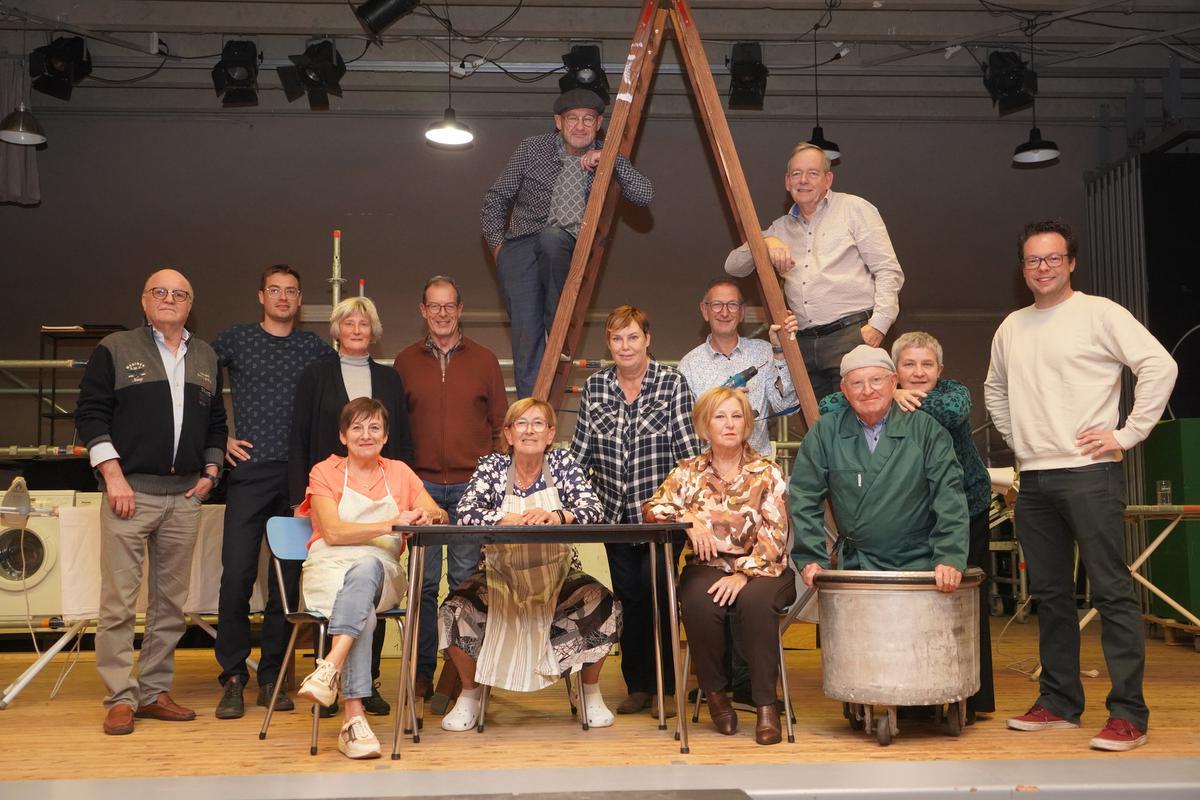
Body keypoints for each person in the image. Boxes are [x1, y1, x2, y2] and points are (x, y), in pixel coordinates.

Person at [984, 219, 1178, 752]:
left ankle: (1128, 715)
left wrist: (1128, 433)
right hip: (1035, 479)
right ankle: (1059, 702)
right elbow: (994, 389)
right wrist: (1022, 437)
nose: (1041, 268)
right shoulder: (1011, 327)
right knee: (1050, 597)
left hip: (1090, 473)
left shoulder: (1099, 313)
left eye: (1051, 258)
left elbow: (1160, 365)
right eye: (1031, 260)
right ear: (1022, 268)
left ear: (1071, 263)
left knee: (1111, 592)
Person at [75, 268, 227, 735]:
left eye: (179, 294)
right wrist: (113, 475)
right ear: (144, 301)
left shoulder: (205, 356)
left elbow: (216, 423)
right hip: (129, 493)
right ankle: (120, 697)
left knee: (170, 606)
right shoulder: (116, 349)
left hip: (184, 498)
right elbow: (91, 413)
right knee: (119, 603)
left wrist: (212, 470)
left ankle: (154, 691)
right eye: (159, 292)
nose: (169, 299)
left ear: (190, 304)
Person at [819, 331, 995, 720]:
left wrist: (889, 399)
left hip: (962, 507)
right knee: (915, 606)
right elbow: (831, 402)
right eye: (908, 365)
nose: (918, 372)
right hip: (911, 512)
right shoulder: (884, 389)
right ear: (894, 371)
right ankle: (913, 690)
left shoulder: (953, 393)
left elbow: (949, 412)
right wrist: (885, 393)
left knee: (964, 603)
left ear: (940, 369)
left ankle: (973, 694)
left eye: (927, 364)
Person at [438, 398, 620, 731]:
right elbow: (465, 511)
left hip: (559, 574)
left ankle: (589, 692)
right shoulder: (492, 467)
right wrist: (506, 517)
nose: (529, 431)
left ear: (551, 433)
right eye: (520, 423)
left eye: (538, 423)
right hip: (498, 576)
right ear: (507, 433)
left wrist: (557, 515)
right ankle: (470, 695)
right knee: (455, 609)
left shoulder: (563, 463)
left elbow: (593, 509)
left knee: (603, 602)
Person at [294, 398, 449, 759]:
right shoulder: (325, 472)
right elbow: (331, 532)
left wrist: (429, 515)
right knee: (359, 606)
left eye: (374, 428)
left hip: (383, 573)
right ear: (343, 436)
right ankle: (353, 719)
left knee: (366, 572)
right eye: (358, 428)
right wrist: (392, 524)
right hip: (328, 568)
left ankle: (330, 668)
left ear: (385, 436)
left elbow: (436, 511)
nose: (366, 435)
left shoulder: (399, 472)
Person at [212, 265, 334, 720]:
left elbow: (336, 397)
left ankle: (272, 677)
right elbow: (195, 382)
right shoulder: (235, 340)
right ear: (261, 295)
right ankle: (232, 677)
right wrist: (217, 438)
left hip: (298, 479)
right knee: (237, 576)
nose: (283, 298)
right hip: (248, 473)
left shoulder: (313, 349)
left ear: (300, 299)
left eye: (292, 292)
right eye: (275, 290)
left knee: (286, 583)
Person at [569, 305, 702, 716]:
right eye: (616, 338)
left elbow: (689, 455)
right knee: (629, 599)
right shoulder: (596, 388)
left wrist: (672, 506)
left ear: (647, 339)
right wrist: (563, 501)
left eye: (632, 337)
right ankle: (640, 686)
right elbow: (579, 454)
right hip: (613, 516)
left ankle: (666, 686)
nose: (625, 345)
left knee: (657, 591)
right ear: (608, 344)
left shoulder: (672, 384)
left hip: (660, 521)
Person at [645, 387, 796, 745]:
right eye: (720, 417)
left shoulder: (767, 473)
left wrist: (743, 574)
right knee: (698, 601)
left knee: (756, 603)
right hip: (707, 566)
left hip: (763, 568)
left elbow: (776, 535)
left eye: (736, 416)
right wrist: (688, 520)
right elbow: (653, 509)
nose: (729, 424)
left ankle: (765, 705)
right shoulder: (687, 473)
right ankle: (714, 694)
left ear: (746, 424)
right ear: (703, 427)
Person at [481, 88, 654, 398]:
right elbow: (496, 198)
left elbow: (644, 195)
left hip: (571, 245)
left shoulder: (607, 152)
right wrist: (498, 248)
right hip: (520, 245)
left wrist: (612, 160)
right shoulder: (532, 149)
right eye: (572, 119)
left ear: (599, 123)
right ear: (558, 122)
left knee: (553, 238)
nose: (580, 126)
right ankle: (532, 414)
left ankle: (556, 327)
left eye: (588, 119)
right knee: (525, 337)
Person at [289, 295, 414, 716]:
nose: (357, 330)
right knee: (350, 585)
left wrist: (407, 494)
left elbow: (405, 441)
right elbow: (298, 438)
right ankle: (340, 683)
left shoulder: (390, 379)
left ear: (373, 331)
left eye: (364, 324)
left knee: (369, 575)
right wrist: (298, 500)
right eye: (349, 323)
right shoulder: (315, 375)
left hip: (379, 493)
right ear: (337, 331)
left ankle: (355, 681)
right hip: (330, 498)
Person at [392, 275, 508, 700]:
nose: (442, 313)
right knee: (422, 584)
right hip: (420, 486)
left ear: (460, 310)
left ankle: (461, 676)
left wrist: (492, 482)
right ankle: (422, 671)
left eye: (449, 306)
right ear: (423, 311)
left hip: (470, 488)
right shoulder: (404, 361)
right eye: (433, 306)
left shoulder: (486, 360)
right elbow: (396, 429)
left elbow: (500, 427)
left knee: (464, 584)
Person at [724, 142, 904, 401]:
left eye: (812, 173)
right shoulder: (780, 227)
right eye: (796, 174)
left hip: (851, 334)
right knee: (818, 429)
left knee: (856, 424)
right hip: (804, 343)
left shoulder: (854, 209)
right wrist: (765, 242)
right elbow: (733, 266)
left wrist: (879, 325)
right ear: (787, 182)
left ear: (828, 179)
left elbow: (888, 271)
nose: (803, 180)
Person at [790, 345, 968, 592]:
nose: (867, 390)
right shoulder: (825, 432)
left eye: (876, 380)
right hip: (855, 567)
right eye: (856, 383)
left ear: (894, 382)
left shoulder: (926, 430)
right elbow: (804, 497)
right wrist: (811, 557)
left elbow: (949, 497)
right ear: (844, 390)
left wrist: (949, 556)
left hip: (918, 566)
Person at [677, 278, 799, 457]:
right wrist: (721, 405)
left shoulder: (764, 352)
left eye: (732, 305)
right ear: (705, 310)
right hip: (709, 472)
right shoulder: (688, 365)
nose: (724, 313)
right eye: (717, 305)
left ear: (742, 312)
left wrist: (780, 352)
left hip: (757, 469)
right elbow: (684, 429)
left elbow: (786, 407)